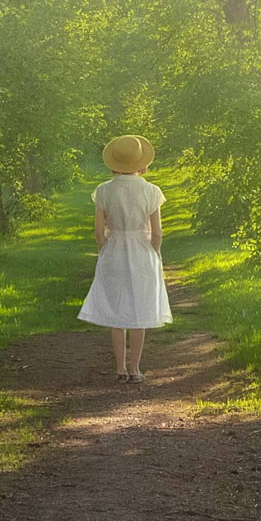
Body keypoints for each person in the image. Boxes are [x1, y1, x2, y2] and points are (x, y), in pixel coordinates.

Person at [81, 134, 170, 380]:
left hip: (115, 249)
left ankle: (119, 368)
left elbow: (99, 231)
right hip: (142, 250)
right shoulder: (152, 191)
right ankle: (135, 368)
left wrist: (105, 250)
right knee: (140, 309)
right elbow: (157, 232)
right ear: (141, 162)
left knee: (116, 309)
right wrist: (156, 254)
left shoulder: (103, 191)